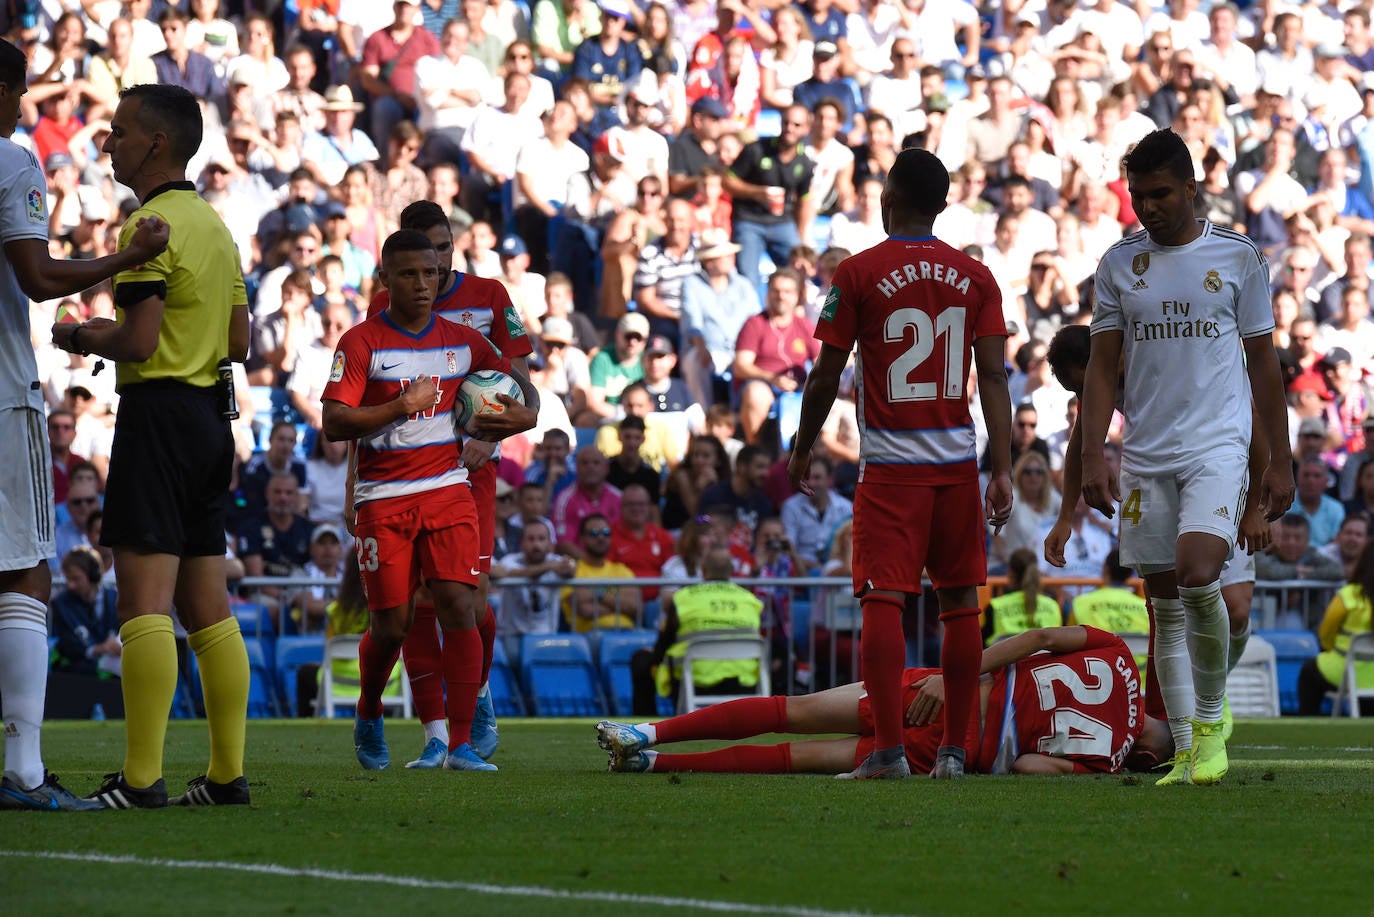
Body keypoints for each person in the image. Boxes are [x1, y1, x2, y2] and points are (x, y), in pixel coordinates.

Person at [49, 83, 250, 809]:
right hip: (208, 419)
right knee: (209, 606)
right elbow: (239, 340)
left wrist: (78, 335)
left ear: (157, 143)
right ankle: (227, 774)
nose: (111, 142)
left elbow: (135, 339)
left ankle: (140, 780)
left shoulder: (151, 227)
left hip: (158, 415)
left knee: (143, 602)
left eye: (121, 131)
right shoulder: (215, 227)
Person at [787, 147, 1013, 780]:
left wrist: (803, 445)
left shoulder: (857, 273)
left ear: (888, 197)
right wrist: (1002, 466)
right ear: (942, 206)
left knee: (882, 602)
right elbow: (993, 376)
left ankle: (887, 752)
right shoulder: (977, 277)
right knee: (961, 604)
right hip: (956, 466)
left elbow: (827, 373)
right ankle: (954, 753)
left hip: (890, 470)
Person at [1079, 129, 1294, 787]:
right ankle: (1190, 747)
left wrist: (1277, 461)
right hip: (1145, 453)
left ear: (1192, 188)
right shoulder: (1119, 263)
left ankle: (1209, 720)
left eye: (1160, 193)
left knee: (1200, 572)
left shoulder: (1238, 257)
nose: (1147, 207)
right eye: (1138, 195)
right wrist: (1093, 453)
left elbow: (1264, 362)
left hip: (1216, 447)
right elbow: (1101, 366)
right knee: (1164, 603)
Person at [322, 228, 538, 774]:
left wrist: (526, 414)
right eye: (411, 274)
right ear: (385, 280)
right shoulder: (360, 342)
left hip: (447, 489)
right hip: (383, 497)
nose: (423, 283)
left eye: (431, 273)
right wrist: (399, 407)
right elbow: (333, 422)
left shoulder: (462, 340)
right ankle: (369, 710)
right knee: (393, 624)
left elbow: (515, 379)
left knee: (460, 605)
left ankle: (460, 744)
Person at [599, 625, 1164, 776]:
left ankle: (647, 733)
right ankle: (654, 763)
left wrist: (953, 673)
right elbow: (1028, 765)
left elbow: (1037, 640)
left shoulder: (1116, 653)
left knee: (792, 710)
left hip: (956, 690)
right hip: (961, 746)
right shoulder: (1107, 761)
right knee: (799, 759)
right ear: (1146, 756)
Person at [628, 544, 763, 716]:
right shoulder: (751, 601)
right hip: (743, 681)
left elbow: (664, 641)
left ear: (703, 570)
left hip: (694, 680)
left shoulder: (684, 598)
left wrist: (655, 656)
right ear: (731, 570)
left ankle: (646, 727)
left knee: (641, 660)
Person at [1298, 538, 1374, 714]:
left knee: (1308, 672)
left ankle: (1308, 727)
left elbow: (1326, 634)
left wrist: (1331, 650)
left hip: (1345, 671)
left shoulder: (1348, 595)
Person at [492, 519, 575, 638]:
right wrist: (549, 566)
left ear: (550, 543)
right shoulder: (509, 560)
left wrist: (569, 566)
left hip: (546, 635)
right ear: (522, 543)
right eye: (531, 539)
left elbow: (570, 570)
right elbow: (513, 572)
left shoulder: (556, 561)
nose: (536, 544)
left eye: (541, 539)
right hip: (513, 635)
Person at [562, 513, 642, 632]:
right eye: (594, 533)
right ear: (582, 538)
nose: (601, 537)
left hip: (628, 631)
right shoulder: (572, 570)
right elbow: (585, 611)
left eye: (606, 533)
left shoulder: (621, 570)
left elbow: (636, 608)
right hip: (592, 634)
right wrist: (619, 605)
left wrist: (598, 594)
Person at [982, 548, 1061, 646]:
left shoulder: (995, 606)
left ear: (1011, 573)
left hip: (1006, 660)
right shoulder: (1053, 605)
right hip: (1043, 660)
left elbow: (982, 643)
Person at [1068, 550, 1150, 636]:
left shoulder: (1080, 604)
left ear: (1105, 569)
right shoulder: (1144, 608)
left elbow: (1070, 639)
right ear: (1130, 574)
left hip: (1097, 649)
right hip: (1134, 649)